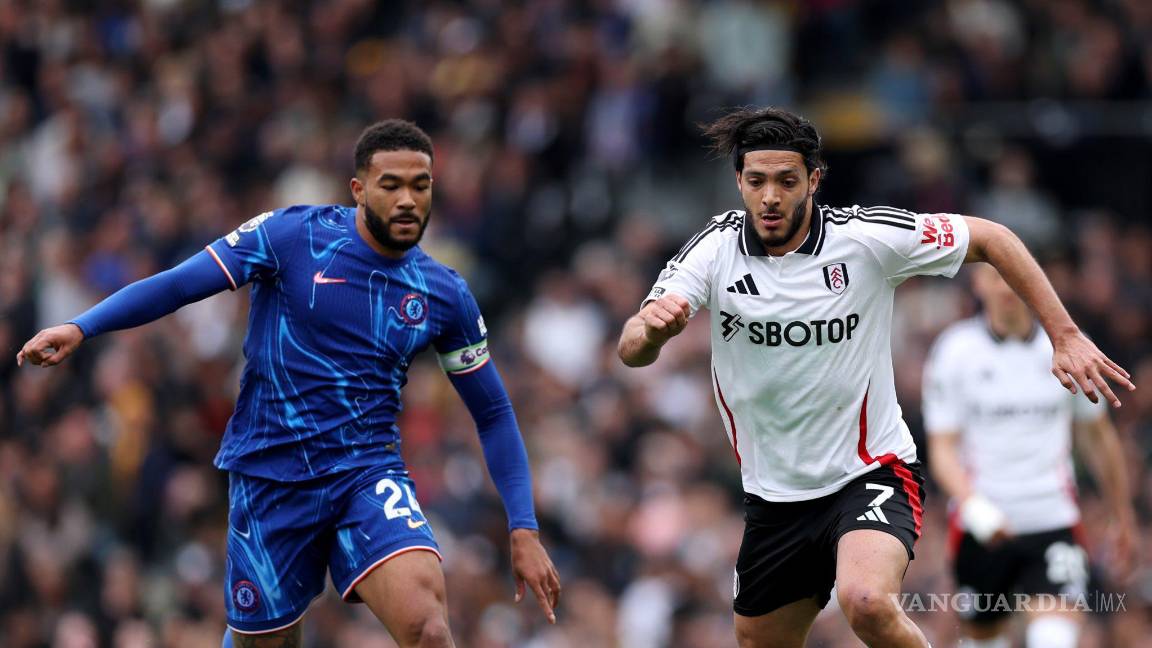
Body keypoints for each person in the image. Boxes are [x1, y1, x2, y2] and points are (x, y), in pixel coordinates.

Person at [17, 119, 561, 648]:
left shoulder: (443, 293)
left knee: (428, 630)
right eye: (390, 185)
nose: (406, 201)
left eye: (420, 186)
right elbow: (180, 283)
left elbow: (492, 412)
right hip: (271, 475)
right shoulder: (291, 236)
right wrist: (82, 325)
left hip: (364, 472)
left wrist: (523, 527)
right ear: (358, 188)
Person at [615, 107, 1134, 648]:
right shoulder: (715, 250)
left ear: (813, 180)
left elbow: (993, 238)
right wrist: (650, 331)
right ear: (739, 181)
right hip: (774, 495)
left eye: (787, 181)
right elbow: (632, 348)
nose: (770, 197)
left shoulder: (864, 239)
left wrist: (1065, 335)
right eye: (757, 181)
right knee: (756, 640)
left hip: (871, 471)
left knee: (865, 600)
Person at [923, 264, 1137, 648]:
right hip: (983, 527)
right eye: (995, 276)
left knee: (1053, 639)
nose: (1007, 287)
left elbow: (1097, 437)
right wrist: (973, 506)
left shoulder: (1070, 348)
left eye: (1016, 276)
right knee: (983, 643)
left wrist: (1122, 513)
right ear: (978, 283)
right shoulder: (955, 351)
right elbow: (942, 449)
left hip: (1053, 519)